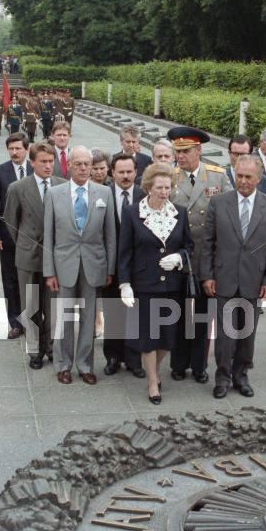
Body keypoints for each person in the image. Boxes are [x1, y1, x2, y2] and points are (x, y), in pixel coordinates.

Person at [200, 155, 266, 399]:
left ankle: (241, 375)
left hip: (254, 280)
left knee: (247, 334)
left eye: (248, 176)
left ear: (259, 178)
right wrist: (207, 276)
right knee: (224, 336)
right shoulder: (218, 202)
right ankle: (222, 377)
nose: (243, 181)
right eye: (239, 176)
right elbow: (207, 243)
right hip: (223, 277)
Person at [117, 163, 194, 404]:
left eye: (168, 187)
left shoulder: (179, 212)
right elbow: (125, 251)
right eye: (159, 187)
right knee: (149, 337)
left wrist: (179, 257)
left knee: (168, 338)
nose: (164, 192)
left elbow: (189, 245)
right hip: (144, 284)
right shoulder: (132, 213)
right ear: (149, 187)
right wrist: (125, 284)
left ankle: (155, 370)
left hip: (172, 285)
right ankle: (152, 382)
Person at [43, 146, 116, 385]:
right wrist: (49, 272)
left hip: (94, 264)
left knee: (88, 318)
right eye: (79, 164)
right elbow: (49, 236)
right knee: (63, 318)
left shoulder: (104, 193)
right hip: (64, 264)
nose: (84, 168)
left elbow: (110, 236)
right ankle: (63, 365)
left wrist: (110, 269)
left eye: (88, 164)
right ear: (70, 166)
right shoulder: (55, 194)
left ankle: (85, 365)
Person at [166, 126, 232, 383]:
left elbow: (227, 217)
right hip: (179, 258)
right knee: (179, 314)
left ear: (198, 150)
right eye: (177, 152)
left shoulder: (217, 176)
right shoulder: (169, 177)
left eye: (185, 151)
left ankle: (200, 365)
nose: (180, 157)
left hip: (206, 259)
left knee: (204, 316)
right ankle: (178, 363)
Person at [5, 141, 65, 366]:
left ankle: (52, 347)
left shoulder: (62, 185)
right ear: (32, 163)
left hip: (55, 258)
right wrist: (26, 243)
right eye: (43, 162)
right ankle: (34, 351)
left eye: (51, 161)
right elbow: (11, 223)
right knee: (30, 305)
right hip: (29, 257)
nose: (48, 166)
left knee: (53, 306)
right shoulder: (18, 188)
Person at [102, 153, 147, 378]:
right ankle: (112, 357)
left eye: (129, 171)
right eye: (121, 172)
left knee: (134, 313)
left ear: (136, 172)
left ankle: (133, 359)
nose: (125, 176)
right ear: (112, 173)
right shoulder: (103, 195)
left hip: (137, 267)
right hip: (110, 267)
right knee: (113, 312)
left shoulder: (143, 196)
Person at [0, 132, 32, 340]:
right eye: (11, 149)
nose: (14, 152)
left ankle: (32, 320)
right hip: (8, 237)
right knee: (10, 280)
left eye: (18, 148)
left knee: (32, 280)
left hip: (34, 237)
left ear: (26, 149)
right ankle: (15, 322)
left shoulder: (36, 169)